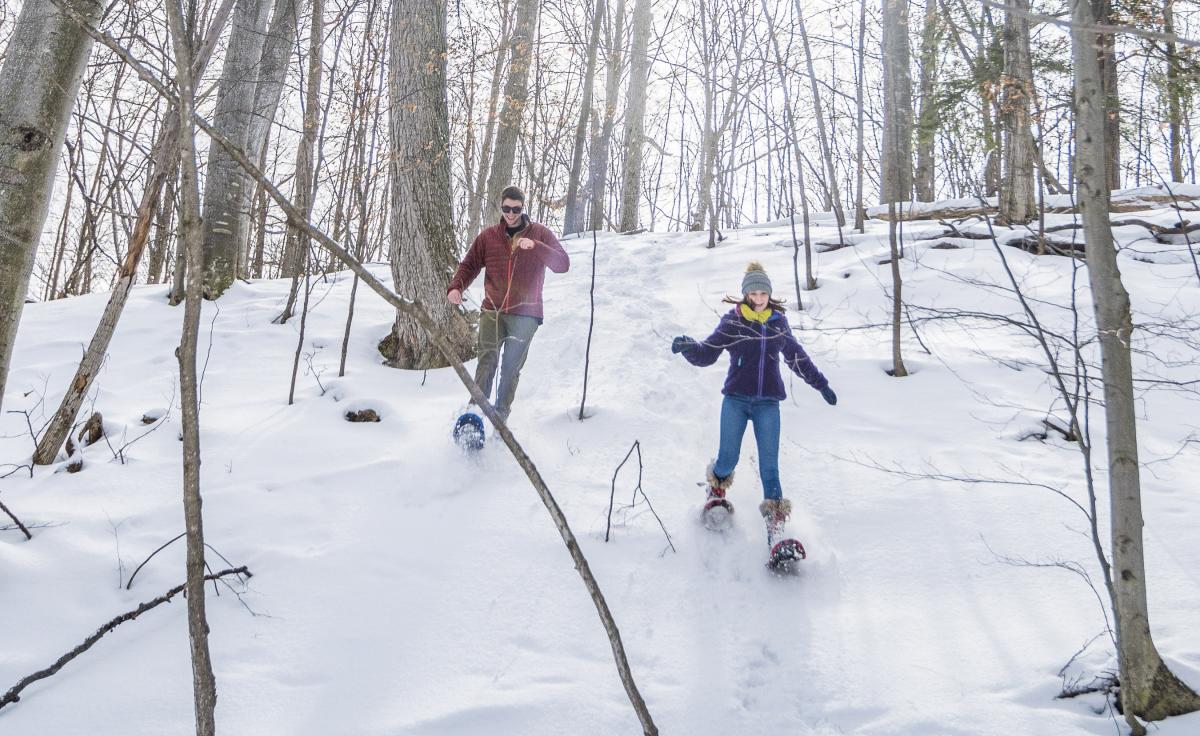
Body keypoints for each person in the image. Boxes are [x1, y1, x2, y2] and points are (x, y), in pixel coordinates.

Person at [671, 261, 836, 549]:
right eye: (754, 293)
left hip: (768, 403)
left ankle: (777, 533)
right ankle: (716, 491)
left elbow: (797, 358)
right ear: (746, 294)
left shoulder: (778, 324)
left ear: (769, 295)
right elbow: (708, 353)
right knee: (727, 459)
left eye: (763, 293)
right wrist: (688, 348)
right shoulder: (733, 322)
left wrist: (821, 384)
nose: (759, 298)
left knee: (770, 466)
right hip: (735, 399)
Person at [447, 186, 570, 422]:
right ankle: (475, 415)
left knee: (510, 370)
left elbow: (562, 264)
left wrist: (536, 246)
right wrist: (456, 287)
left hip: (525, 316)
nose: (511, 214)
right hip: (492, 311)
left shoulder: (540, 233)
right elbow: (469, 264)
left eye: (516, 209)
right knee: (486, 361)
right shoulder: (489, 236)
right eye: (506, 209)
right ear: (501, 207)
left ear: (523, 208)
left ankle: (500, 417)